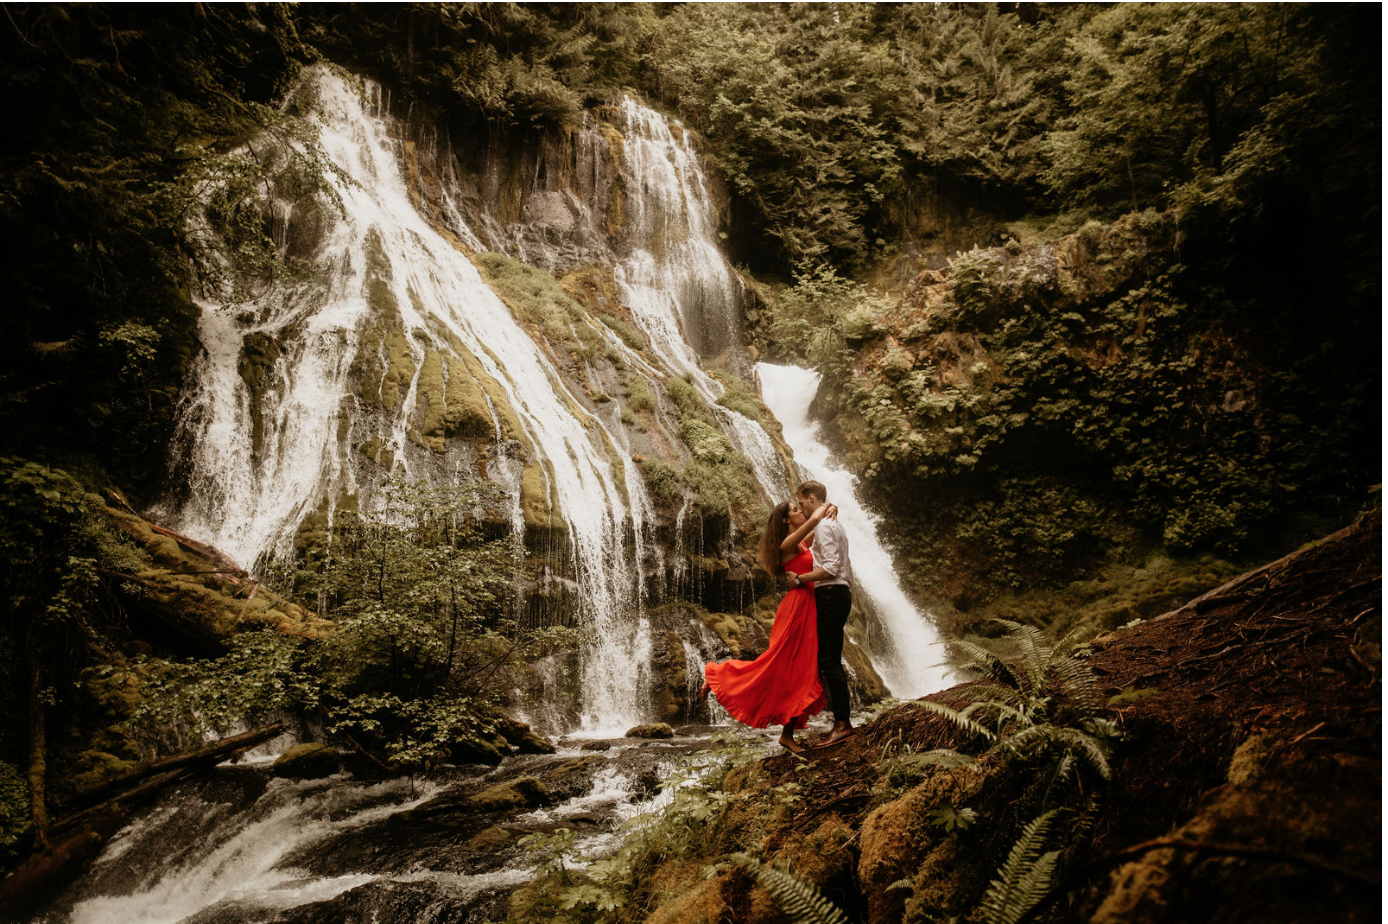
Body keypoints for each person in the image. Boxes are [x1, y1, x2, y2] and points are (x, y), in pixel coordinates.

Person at [699, 499, 835, 753]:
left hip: (809, 606)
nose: (801, 511)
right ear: (785, 520)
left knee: (802, 672)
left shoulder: (801, 542)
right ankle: (718, 677)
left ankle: (787, 735)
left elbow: (821, 532)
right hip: (798, 610)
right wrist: (822, 510)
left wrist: (832, 510)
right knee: (779, 666)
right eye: (795, 510)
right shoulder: (787, 545)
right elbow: (815, 521)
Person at [793, 480, 856, 748]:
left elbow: (829, 568)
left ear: (810, 498)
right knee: (829, 659)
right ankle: (840, 721)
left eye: (801, 503)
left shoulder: (825, 525)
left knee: (829, 660)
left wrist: (799, 579)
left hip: (831, 592)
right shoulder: (831, 523)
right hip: (836, 594)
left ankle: (842, 724)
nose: (802, 510)